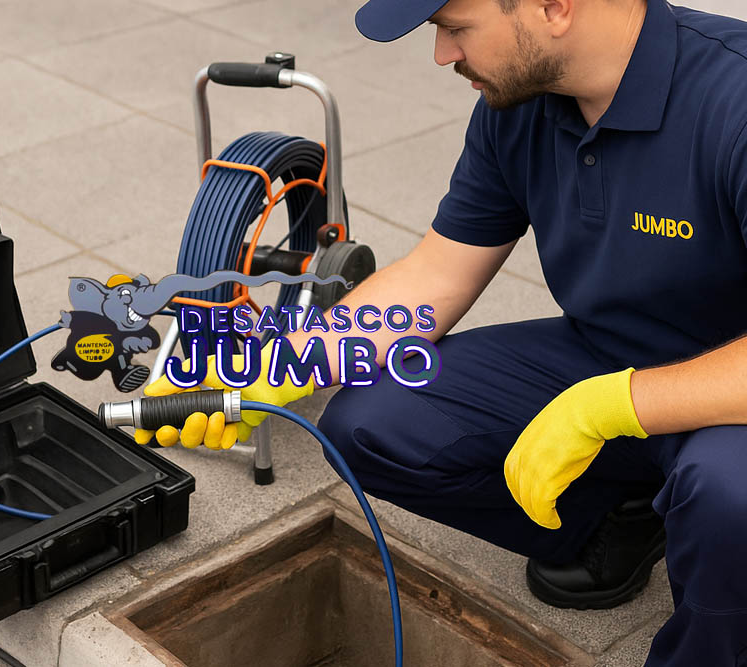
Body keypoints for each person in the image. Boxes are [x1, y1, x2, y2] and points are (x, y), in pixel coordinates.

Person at [137, 0, 747, 663]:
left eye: (454, 27)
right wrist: (279, 360)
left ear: (554, 7)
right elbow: (435, 273)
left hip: (729, 402)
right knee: (372, 423)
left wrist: (612, 407)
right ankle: (617, 517)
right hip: (603, 355)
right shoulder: (518, 106)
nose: (442, 55)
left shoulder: (731, 100)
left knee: (728, 498)